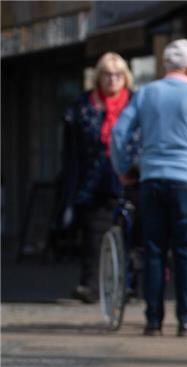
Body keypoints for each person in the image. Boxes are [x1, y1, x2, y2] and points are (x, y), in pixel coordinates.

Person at [111, 39, 187, 337]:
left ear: (166, 66)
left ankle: (153, 320)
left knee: (153, 250)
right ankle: (186, 319)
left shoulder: (146, 94)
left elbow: (119, 134)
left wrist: (124, 168)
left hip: (151, 179)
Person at [61, 52, 135, 304]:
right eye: (106, 74)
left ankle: (127, 286)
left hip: (127, 178)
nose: (112, 80)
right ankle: (92, 285)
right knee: (93, 234)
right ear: (98, 77)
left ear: (125, 78)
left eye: (117, 75)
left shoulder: (135, 104)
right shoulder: (84, 106)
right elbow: (72, 150)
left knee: (129, 234)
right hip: (92, 180)